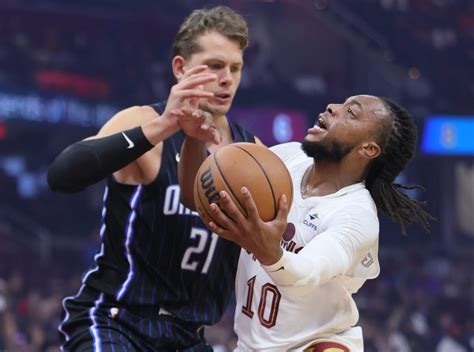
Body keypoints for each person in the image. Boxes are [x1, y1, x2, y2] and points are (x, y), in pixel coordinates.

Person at [47, 6, 262, 351]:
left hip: (189, 336)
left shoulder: (252, 153)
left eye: (235, 68)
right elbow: (61, 176)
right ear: (181, 68)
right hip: (117, 319)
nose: (227, 79)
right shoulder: (142, 122)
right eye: (215, 66)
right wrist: (163, 126)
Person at [179, 95, 433, 351]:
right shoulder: (284, 158)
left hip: (317, 344)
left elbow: (304, 275)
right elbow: (193, 198)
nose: (332, 107)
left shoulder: (356, 215)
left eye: (351, 113)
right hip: (251, 345)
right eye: (340, 104)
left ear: (368, 149)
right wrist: (192, 139)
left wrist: (268, 250)